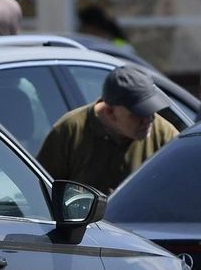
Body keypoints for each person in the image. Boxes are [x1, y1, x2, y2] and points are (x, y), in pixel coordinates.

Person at [36, 66, 177, 194]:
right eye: (139, 113)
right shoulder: (70, 130)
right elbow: (42, 190)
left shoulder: (163, 133)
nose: (149, 120)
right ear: (110, 112)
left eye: (152, 110)